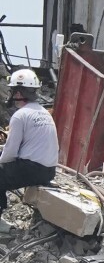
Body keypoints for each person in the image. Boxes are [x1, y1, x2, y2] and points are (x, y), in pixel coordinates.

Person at [0, 70, 57, 232]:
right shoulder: (44, 112)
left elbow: (10, 153)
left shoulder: (20, 115)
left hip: (32, 169)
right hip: (49, 171)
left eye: (12, 90)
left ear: (18, 92)